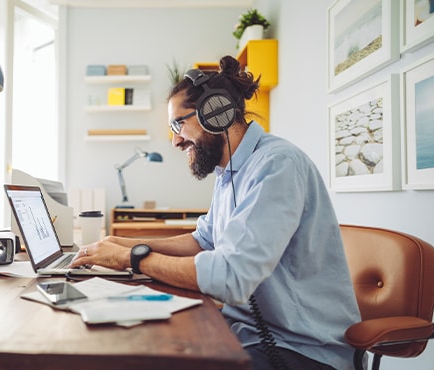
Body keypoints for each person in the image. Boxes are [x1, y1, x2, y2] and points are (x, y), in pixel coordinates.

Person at [70, 55, 361, 370]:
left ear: (216, 112)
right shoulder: (229, 172)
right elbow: (204, 240)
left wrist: (134, 258)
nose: (175, 140)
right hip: (245, 332)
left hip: (301, 349)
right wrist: (121, 243)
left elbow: (229, 278)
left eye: (177, 123)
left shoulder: (277, 165)